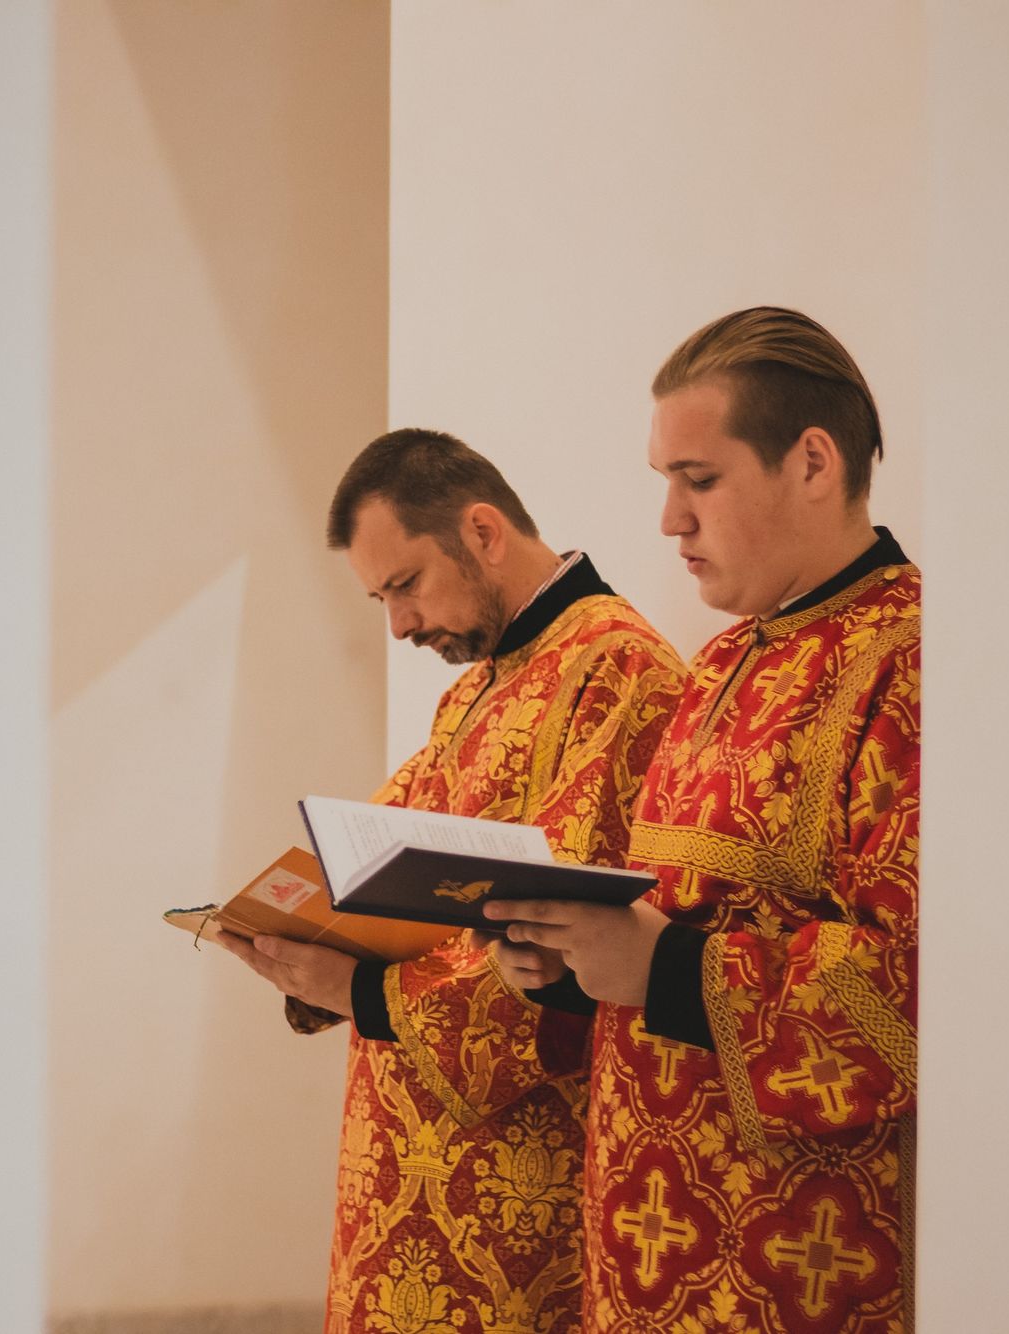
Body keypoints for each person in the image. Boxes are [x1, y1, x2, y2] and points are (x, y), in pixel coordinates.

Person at [490, 309, 921, 1333]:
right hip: (640, 1245)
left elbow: (909, 988)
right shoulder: (723, 660)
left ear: (811, 462)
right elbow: (674, 915)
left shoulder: (909, 660)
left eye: (699, 478)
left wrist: (666, 969)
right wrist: (565, 964)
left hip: (787, 1262)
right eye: (664, 481)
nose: (668, 520)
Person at [219, 428, 687, 1334]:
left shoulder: (618, 672)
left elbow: (563, 941)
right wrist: (305, 933)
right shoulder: (475, 689)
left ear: (482, 531)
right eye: (380, 598)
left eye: (406, 585)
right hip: (408, 1168)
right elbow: (383, 873)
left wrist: (362, 990)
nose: (398, 625)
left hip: (508, 1193)